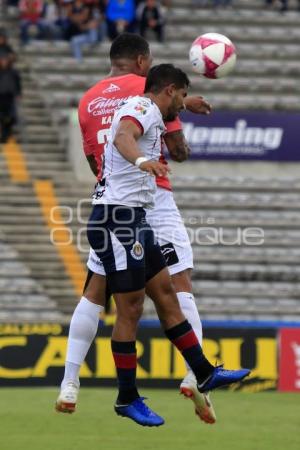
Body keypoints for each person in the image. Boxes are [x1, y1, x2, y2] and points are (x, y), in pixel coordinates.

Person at [55, 35, 250, 425]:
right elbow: (125, 134)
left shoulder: (96, 99)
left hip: (133, 215)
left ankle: (204, 370)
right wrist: (145, 161)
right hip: (119, 219)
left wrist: (181, 110)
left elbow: (105, 151)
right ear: (164, 84)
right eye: (181, 97)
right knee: (129, 306)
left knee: (164, 293)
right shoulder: (141, 103)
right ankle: (127, 396)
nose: (183, 104)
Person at [0, 52, 22, 143]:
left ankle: (6, 133)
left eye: (5, 60)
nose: (4, 62)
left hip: (9, 97)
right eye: (2, 61)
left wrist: (19, 94)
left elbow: (18, 84)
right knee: (2, 117)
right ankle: (4, 134)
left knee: (10, 117)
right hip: (0, 96)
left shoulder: (13, 72)